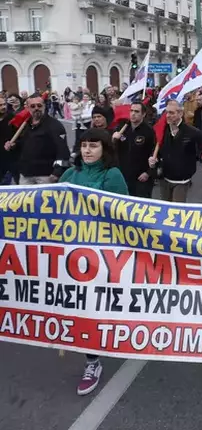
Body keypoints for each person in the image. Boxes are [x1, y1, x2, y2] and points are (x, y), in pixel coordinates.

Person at [60, 128, 128, 395]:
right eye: (84, 146)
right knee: (78, 308)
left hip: (102, 255)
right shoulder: (71, 174)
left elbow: (124, 213)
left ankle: (98, 353)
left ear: (104, 149)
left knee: (95, 307)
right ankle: (92, 360)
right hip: (71, 255)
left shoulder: (112, 175)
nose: (88, 150)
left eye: (94, 146)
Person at [3, 94, 70, 184]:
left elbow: (63, 151)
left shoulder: (55, 125)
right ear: (28, 108)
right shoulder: (25, 125)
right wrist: (14, 145)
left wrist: (57, 173)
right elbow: (24, 144)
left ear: (44, 106)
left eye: (39, 105)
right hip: (25, 175)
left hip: (45, 176)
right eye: (32, 106)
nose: (36, 108)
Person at [148, 100, 202, 202]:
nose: (168, 115)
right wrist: (153, 160)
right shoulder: (161, 131)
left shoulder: (193, 133)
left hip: (182, 180)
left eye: (171, 113)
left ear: (180, 113)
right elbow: (156, 151)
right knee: (165, 210)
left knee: (176, 212)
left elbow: (200, 152)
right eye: (166, 112)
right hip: (164, 178)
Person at [113, 101, 156, 197]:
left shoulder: (149, 131)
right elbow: (113, 149)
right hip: (124, 174)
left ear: (143, 114)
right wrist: (113, 138)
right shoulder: (122, 127)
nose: (133, 114)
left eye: (136, 111)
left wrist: (148, 173)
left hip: (141, 177)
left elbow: (155, 153)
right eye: (131, 111)